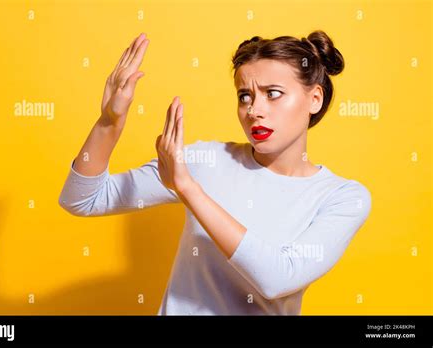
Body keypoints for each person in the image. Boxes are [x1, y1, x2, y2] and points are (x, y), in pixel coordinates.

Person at [58, 31, 372, 315]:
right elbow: (83, 199)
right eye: (244, 96)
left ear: (314, 98)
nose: (254, 110)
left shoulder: (342, 197)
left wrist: (188, 189)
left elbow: (278, 278)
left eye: (272, 93)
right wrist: (109, 123)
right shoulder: (206, 160)